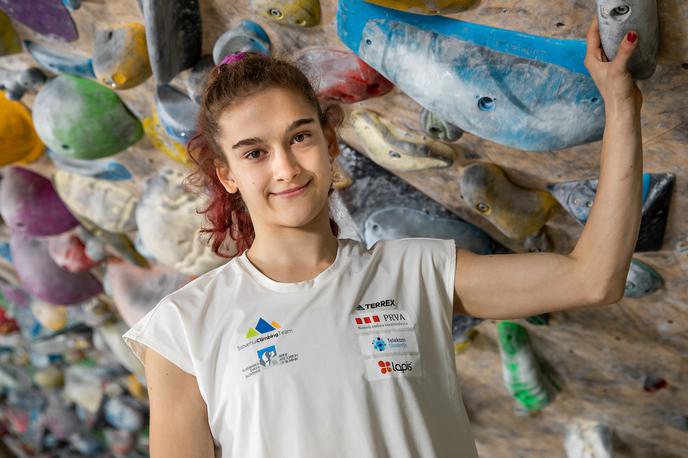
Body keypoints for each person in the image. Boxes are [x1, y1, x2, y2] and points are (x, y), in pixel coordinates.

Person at [122, 15, 643, 458]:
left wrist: (621, 104)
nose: (285, 168)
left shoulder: (416, 272)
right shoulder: (182, 330)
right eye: (255, 152)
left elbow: (593, 277)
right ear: (227, 174)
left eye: (300, 137)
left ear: (329, 143)